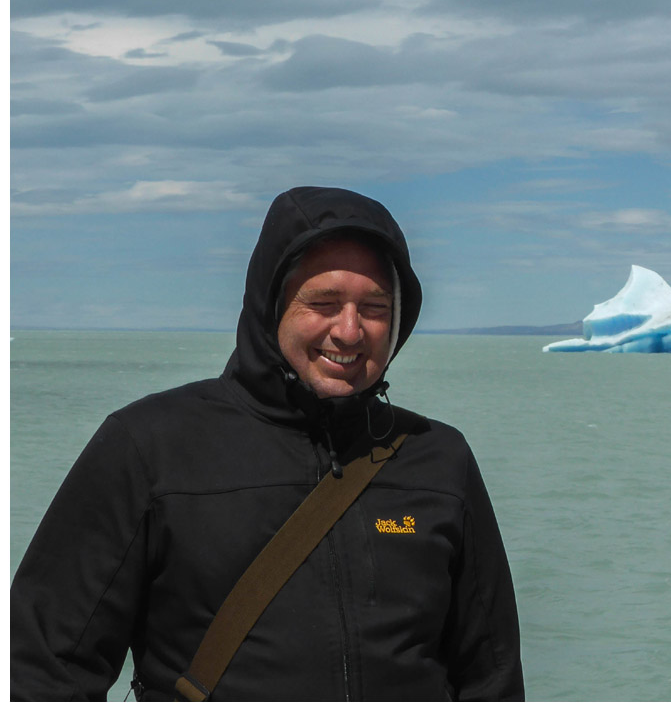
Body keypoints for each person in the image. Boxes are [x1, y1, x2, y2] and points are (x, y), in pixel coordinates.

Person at [10, 187, 524, 701]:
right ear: (270, 303)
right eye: (323, 303)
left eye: (374, 307)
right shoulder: (151, 446)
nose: (349, 331)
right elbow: (44, 668)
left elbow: (491, 677)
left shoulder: (438, 459)